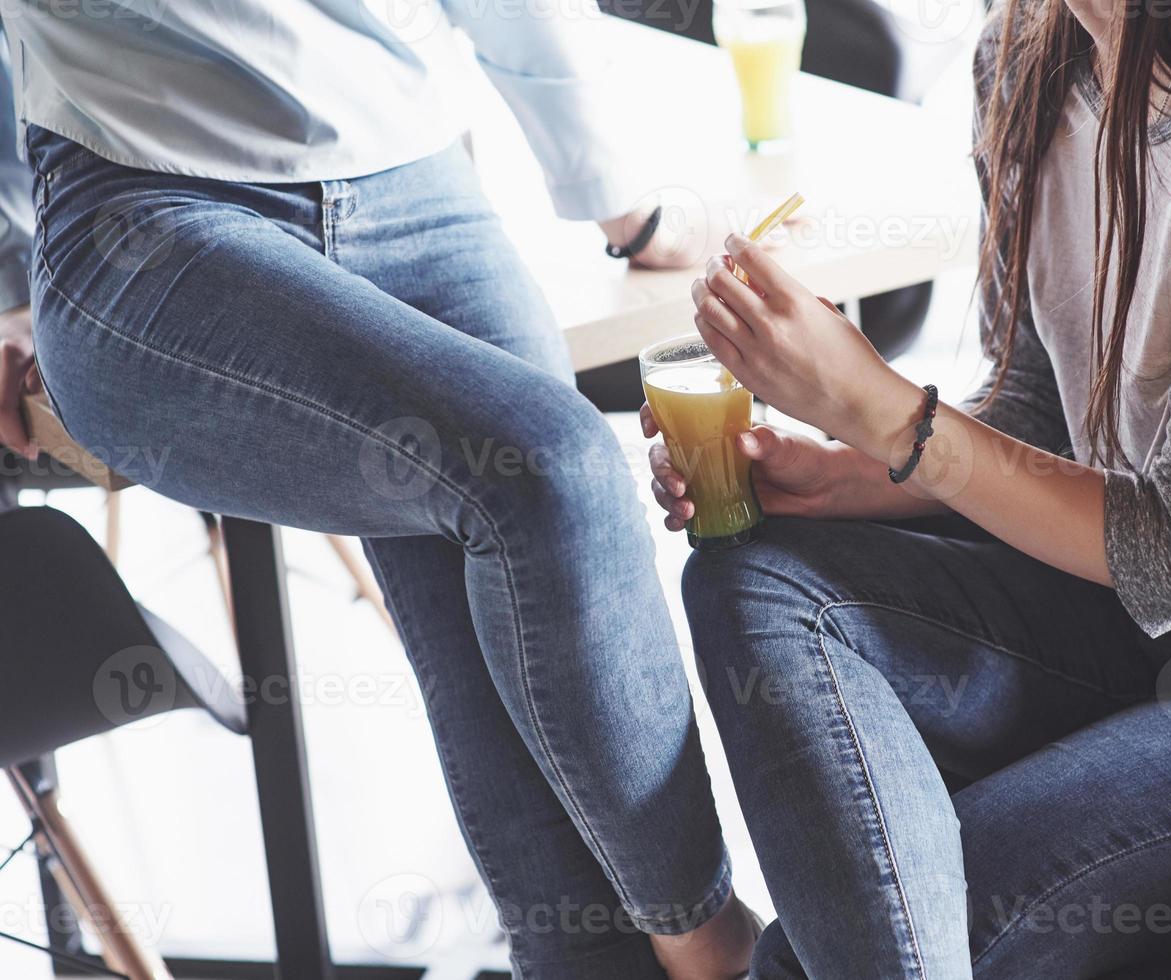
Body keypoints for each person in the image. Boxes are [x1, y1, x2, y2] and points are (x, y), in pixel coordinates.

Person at [647, 0, 1171, 975]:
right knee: (751, 575)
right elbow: (1036, 407)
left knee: (837, 949)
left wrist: (879, 409)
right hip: (1132, 616)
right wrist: (854, 471)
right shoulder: (1031, 56)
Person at [0, 3, 759, 977]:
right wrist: (11, 275)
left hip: (415, 171)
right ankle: (719, 946)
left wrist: (619, 197)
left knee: (512, 555)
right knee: (550, 470)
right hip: (144, 204)